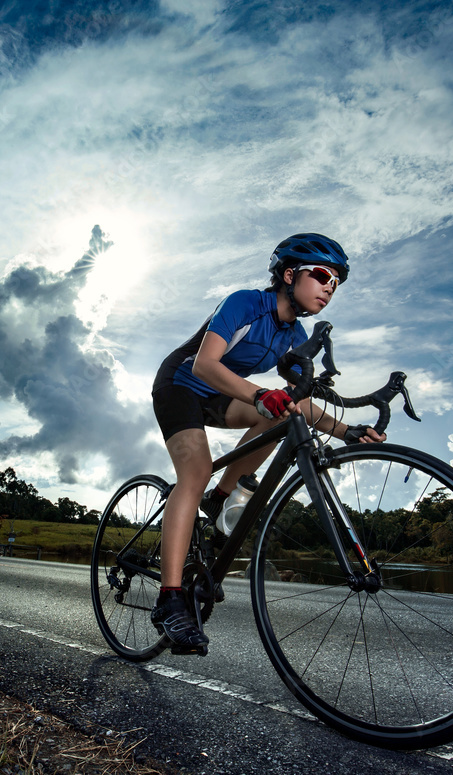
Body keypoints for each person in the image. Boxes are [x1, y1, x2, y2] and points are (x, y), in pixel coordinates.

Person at [149, 233, 386, 651]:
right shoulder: (245, 303)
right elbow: (205, 364)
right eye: (322, 275)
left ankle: (220, 498)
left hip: (224, 395)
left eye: (337, 281)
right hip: (182, 384)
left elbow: (303, 404)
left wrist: (348, 431)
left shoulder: (294, 336)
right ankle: (169, 601)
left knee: (285, 412)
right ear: (289, 274)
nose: (330, 286)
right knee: (196, 470)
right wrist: (259, 394)